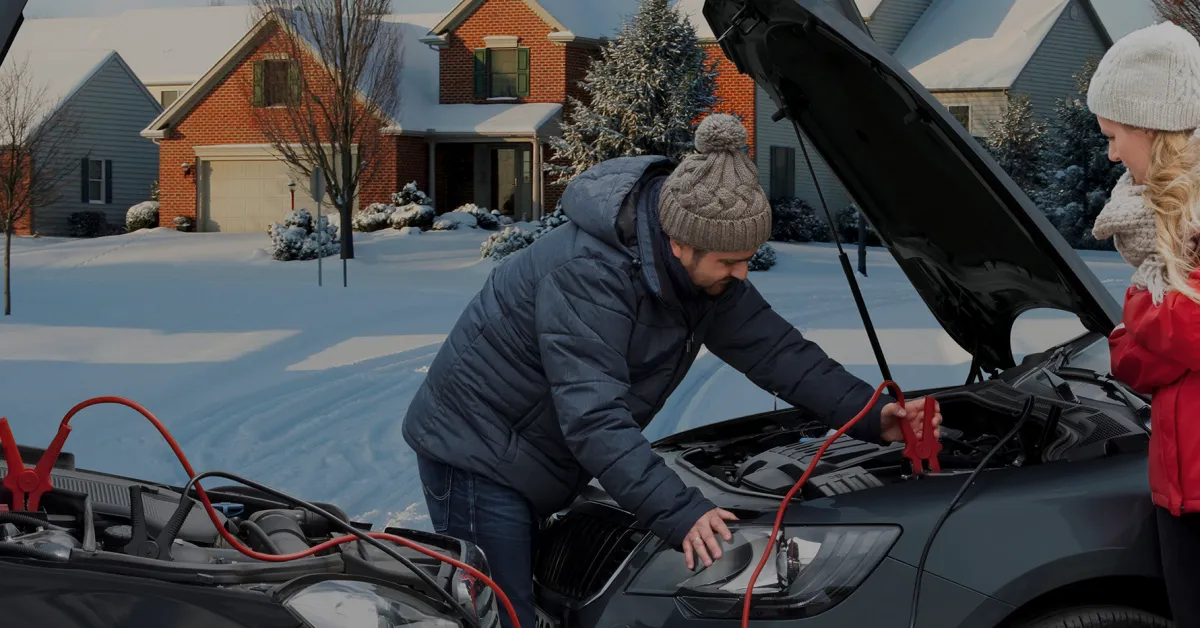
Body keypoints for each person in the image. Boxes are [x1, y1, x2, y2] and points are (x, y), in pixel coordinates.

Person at [402, 113, 941, 628]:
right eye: (730, 262)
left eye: (748, 257)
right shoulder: (591, 277)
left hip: (534, 452)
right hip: (474, 453)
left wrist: (875, 416)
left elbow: (780, 353)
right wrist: (681, 512)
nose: (742, 272)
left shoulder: (702, 278)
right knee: (502, 612)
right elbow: (594, 419)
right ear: (678, 241)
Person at [1088, 20, 1200, 628]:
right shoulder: (1166, 231)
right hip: (1179, 488)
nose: (1109, 153)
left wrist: (1142, 306)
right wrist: (1151, 317)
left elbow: (1185, 330)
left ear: (1152, 128)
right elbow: (1132, 360)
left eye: (1113, 135)